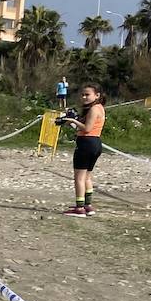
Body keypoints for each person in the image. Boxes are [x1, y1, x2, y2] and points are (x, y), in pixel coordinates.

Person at [61, 84, 105, 217]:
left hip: (86, 143)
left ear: (97, 95)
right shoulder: (99, 108)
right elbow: (84, 126)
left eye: (87, 95)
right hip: (95, 143)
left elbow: (87, 128)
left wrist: (72, 120)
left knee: (79, 177)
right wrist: (73, 121)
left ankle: (79, 208)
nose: (84, 97)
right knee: (87, 177)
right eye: (82, 95)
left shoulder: (94, 109)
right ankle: (87, 205)